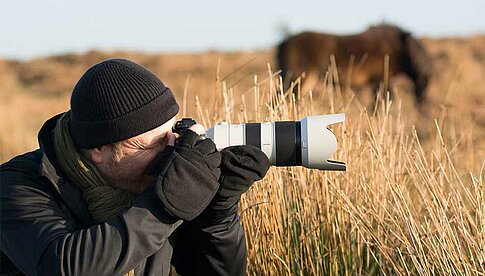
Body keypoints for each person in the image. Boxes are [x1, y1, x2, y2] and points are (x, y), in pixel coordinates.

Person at [0, 58, 270, 276]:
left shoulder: (157, 182)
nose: (170, 152)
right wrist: (166, 206)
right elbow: (65, 267)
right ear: (99, 149)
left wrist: (217, 216)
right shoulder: (17, 186)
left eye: (172, 135)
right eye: (150, 145)